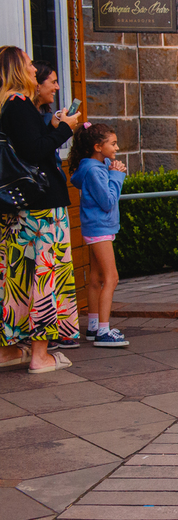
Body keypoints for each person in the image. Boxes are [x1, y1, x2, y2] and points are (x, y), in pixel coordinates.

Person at [0, 46, 81, 375]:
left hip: (18, 210)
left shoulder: (7, 106)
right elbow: (35, 152)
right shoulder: (19, 104)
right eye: (30, 65)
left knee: (16, 277)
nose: (35, 70)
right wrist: (65, 129)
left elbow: (26, 147)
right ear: (19, 69)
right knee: (46, 276)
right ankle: (40, 354)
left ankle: (9, 352)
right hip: (42, 210)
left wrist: (49, 125)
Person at [69, 124, 129, 347]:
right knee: (111, 278)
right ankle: (104, 331)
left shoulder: (93, 166)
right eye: (112, 143)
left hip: (95, 228)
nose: (117, 147)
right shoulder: (95, 170)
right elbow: (107, 201)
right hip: (100, 228)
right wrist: (116, 176)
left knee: (95, 278)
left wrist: (111, 170)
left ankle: (94, 326)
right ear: (97, 146)